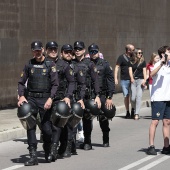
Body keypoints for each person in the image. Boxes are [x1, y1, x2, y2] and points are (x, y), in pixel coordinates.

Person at [17, 41, 59, 166]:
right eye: (35, 50)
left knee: (46, 130)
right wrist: (21, 96)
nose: (37, 52)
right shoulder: (29, 64)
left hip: (45, 100)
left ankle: (47, 150)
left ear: (42, 50)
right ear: (32, 51)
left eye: (39, 50)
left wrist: (51, 98)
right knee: (30, 127)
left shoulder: (50, 64)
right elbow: (21, 82)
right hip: (31, 99)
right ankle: (33, 155)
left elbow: (55, 84)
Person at [45, 41, 76, 161]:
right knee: (46, 126)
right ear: (46, 50)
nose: (53, 51)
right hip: (46, 99)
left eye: (55, 49)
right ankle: (50, 146)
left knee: (57, 125)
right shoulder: (44, 63)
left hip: (60, 99)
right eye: (50, 49)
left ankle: (56, 149)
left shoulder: (64, 65)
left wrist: (68, 96)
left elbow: (72, 82)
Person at [80, 43, 115, 149]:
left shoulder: (105, 64)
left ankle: (105, 139)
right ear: (88, 53)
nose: (93, 54)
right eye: (91, 52)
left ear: (98, 52)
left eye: (95, 52)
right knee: (87, 118)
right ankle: (87, 141)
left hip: (102, 94)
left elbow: (110, 81)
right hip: (89, 94)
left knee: (103, 116)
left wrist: (110, 97)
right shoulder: (85, 63)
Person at [57, 44, 86, 158]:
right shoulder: (56, 65)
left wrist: (80, 98)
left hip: (72, 98)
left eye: (71, 52)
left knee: (70, 125)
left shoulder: (76, 66)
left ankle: (69, 147)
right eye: (66, 52)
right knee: (58, 124)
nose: (69, 54)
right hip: (59, 98)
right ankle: (62, 145)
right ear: (62, 53)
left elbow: (82, 84)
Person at [72, 41, 101, 150]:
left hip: (87, 96)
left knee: (87, 119)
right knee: (73, 119)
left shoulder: (90, 63)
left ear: (84, 50)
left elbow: (95, 81)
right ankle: (72, 143)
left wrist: (97, 95)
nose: (78, 51)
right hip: (75, 95)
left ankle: (87, 141)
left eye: (80, 49)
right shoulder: (71, 63)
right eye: (76, 49)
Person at [147, 47, 170, 155]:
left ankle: (166, 146)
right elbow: (151, 75)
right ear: (163, 54)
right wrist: (161, 63)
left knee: (167, 122)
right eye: (168, 52)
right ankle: (151, 146)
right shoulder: (157, 64)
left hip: (168, 98)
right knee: (155, 122)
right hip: (158, 98)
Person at [114, 44, 135, 118]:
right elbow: (117, 67)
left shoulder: (134, 57)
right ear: (128, 50)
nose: (134, 51)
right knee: (126, 96)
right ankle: (127, 112)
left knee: (133, 96)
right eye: (133, 49)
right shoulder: (121, 57)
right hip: (124, 80)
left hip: (133, 80)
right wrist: (116, 78)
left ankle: (133, 110)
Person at [128, 48, 146, 120]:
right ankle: (134, 108)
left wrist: (145, 80)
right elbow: (130, 70)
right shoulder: (131, 62)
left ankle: (136, 113)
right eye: (139, 53)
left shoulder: (143, 62)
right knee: (132, 98)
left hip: (140, 80)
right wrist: (131, 78)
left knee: (138, 97)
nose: (140, 54)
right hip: (133, 81)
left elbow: (144, 71)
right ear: (135, 54)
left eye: (141, 53)